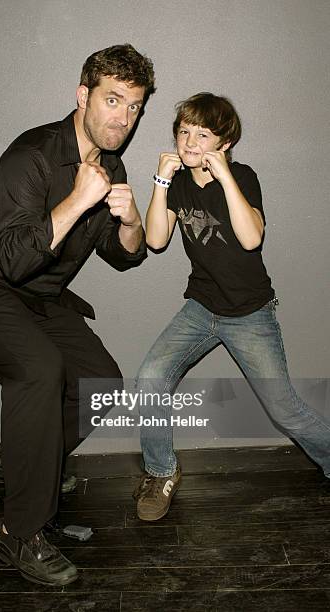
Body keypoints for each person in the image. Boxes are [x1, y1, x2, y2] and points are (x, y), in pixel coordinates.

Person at [0, 43, 155, 585]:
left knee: (101, 382)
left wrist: (129, 223)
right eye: (113, 100)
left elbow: (125, 254)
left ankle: (21, 464)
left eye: (135, 107)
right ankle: (18, 532)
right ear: (83, 96)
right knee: (38, 368)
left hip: (35, 297)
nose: (123, 118)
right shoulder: (29, 155)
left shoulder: (112, 164)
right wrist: (77, 199)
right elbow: (12, 259)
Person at [133, 92, 330, 522]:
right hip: (201, 308)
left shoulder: (243, 175)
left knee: (285, 409)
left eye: (202, 135)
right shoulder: (179, 182)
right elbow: (155, 239)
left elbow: (251, 238)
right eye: (183, 132)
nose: (189, 142)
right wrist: (160, 181)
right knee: (149, 378)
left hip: (249, 313)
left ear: (224, 142)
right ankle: (161, 472)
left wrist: (225, 178)